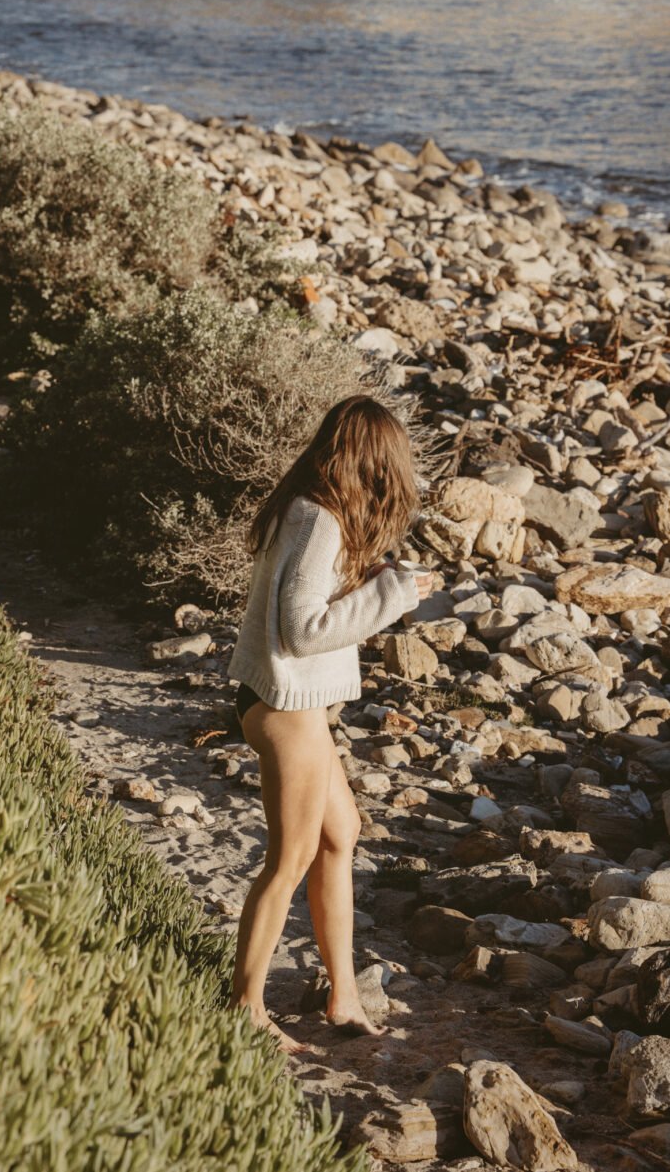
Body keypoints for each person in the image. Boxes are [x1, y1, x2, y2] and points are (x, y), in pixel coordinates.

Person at [227, 393, 435, 1054]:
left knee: (339, 833)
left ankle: (341, 992)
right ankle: (244, 1007)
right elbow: (302, 628)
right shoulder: (315, 519)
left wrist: (366, 580)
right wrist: (388, 596)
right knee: (288, 859)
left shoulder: (312, 510)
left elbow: (310, 604)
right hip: (285, 706)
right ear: (375, 460)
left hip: (295, 703)